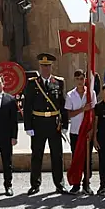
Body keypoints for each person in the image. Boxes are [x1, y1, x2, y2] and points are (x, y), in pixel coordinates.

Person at [24, 53, 67, 195]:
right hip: (38, 123)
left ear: (51, 66)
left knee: (57, 155)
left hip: (54, 124)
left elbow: (62, 104)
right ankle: (35, 184)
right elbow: (28, 105)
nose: (45, 69)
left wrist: (65, 124)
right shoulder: (32, 83)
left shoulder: (59, 82)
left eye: (48, 66)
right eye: (43, 66)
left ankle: (60, 184)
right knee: (37, 155)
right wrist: (28, 126)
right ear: (39, 67)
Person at [64, 70, 94, 193]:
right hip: (76, 131)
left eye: (82, 78)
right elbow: (69, 114)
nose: (80, 81)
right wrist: (83, 109)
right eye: (78, 79)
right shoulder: (70, 95)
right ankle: (75, 183)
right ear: (74, 80)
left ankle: (86, 183)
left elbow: (94, 112)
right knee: (76, 157)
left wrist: (92, 130)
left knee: (88, 158)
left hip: (87, 130)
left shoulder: (91, 93)